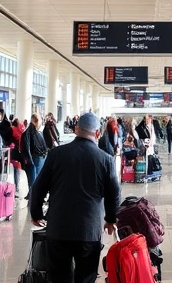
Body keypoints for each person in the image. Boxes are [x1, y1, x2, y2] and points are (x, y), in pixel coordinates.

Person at [30, 112, 119, 283]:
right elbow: (113, 193)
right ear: (98, 133)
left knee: (58, 277)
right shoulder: (106, 160)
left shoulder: (56, 154)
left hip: (58, 228)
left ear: (76, 130)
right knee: (86, 277)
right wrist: (110, 219)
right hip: (89, 230)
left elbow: (38, 187)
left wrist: (36, 214)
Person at [21, 114, 49, 199]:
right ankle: (34, 195)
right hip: (36, 158)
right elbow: (27, 147)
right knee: (35, 178)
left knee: (34, 178)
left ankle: (33, 194)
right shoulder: (32, 133)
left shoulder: (31, 132)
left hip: (37, 158)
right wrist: (30, 160)